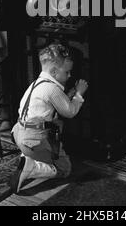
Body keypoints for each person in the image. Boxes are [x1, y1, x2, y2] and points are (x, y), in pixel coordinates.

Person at [10, 43, 88, 194]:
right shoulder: (52, 89)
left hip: (19, 132)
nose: (70, 75)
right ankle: (32, 167)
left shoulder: (38, 83)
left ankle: (28, 155)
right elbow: (70, 112)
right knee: (65, 169)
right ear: (53, 71)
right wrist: (79, 93)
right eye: (67, 72)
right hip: (35, 138)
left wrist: (70, 93)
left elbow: (56, 101)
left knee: (49, 130)